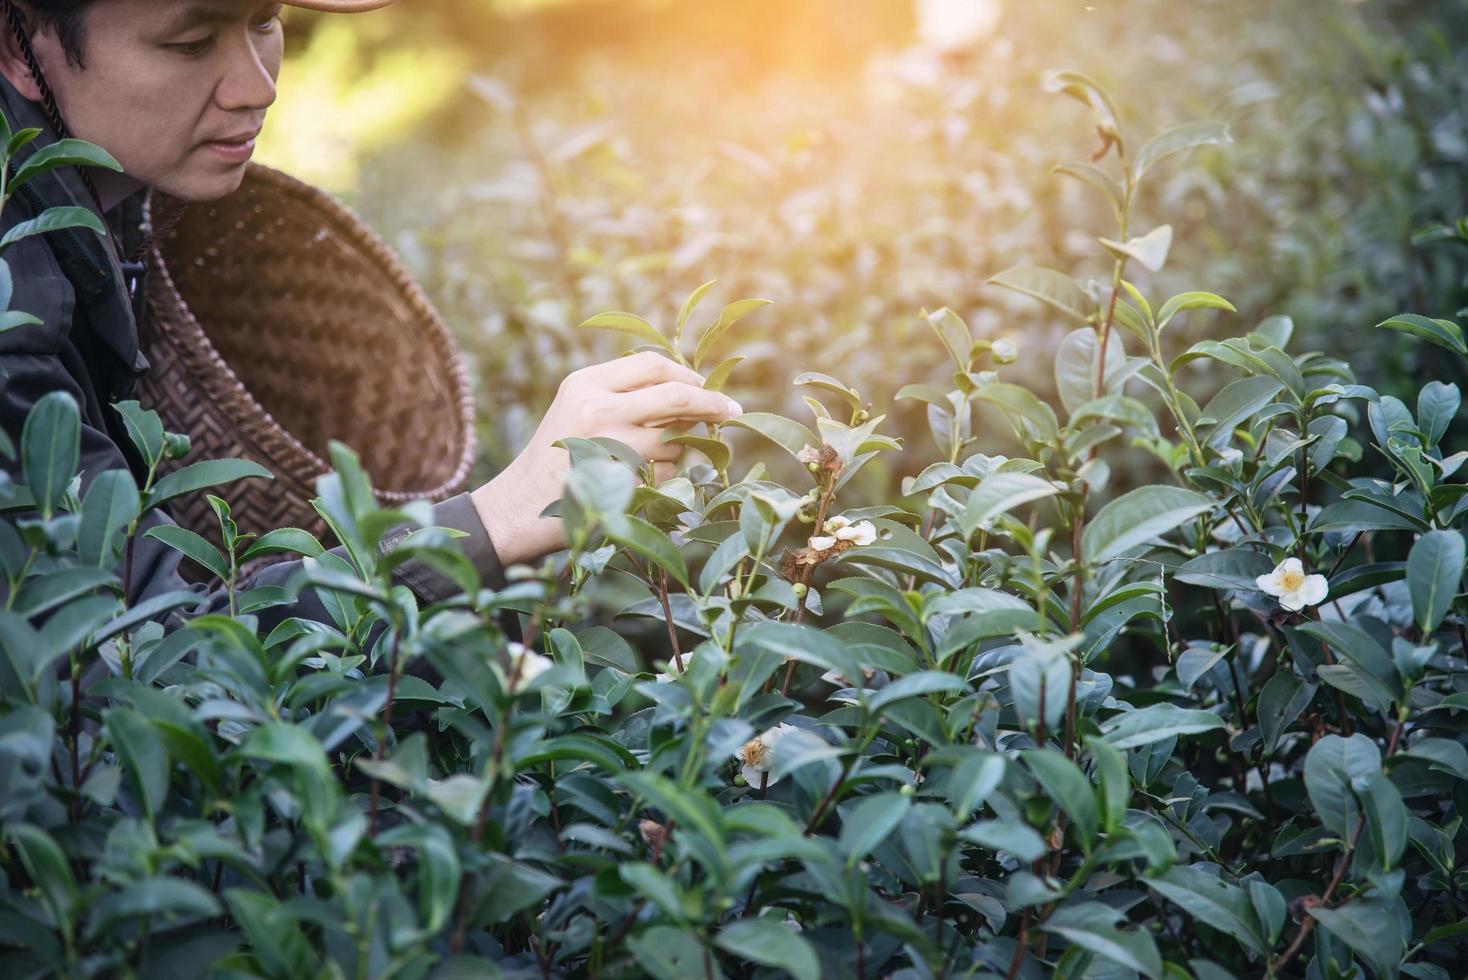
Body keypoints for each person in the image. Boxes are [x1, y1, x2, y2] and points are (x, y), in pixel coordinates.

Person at [0, 0, 742, 633]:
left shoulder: (105, 190)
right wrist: (498, 517)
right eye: (191, 43)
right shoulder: (13, 314)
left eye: (265, 20)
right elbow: (141, 657)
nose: (257, 87)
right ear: (20, 44)